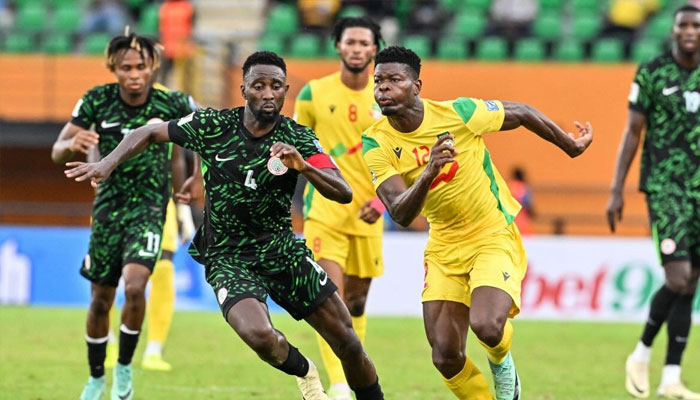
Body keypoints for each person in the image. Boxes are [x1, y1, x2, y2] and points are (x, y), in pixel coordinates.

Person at [65, 51, 385, 400]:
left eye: (276, 86)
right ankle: (305, 371)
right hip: (228, 256)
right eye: (259, 85)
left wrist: (303, 167)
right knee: (260, 336)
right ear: (244, 88)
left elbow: (343, 191)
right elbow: (149, 132)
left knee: (348, 341)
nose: (267, 93)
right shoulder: (212, 125)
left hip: (281, 250)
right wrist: (106, 164)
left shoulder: (298, 138)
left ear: (285, 90)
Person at [362, 46, 593, 400]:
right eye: (378, 81)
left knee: (486, 325)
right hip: (443, 245)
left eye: (395, 80)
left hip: (491, 233)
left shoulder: (460, 113)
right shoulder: (375, 141)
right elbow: (400, 212)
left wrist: (569, 145)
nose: (383, 89)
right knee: (445, 355)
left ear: (416, 85)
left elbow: (523, 113)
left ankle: (503, 364)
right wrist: (428, 172)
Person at [51, 30, 197, 400]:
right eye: (126, 68)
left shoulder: (174, 103)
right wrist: (72, 144)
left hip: (149, 209)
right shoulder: (96, 100)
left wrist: (194, 185)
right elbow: (57, 150)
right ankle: (97, 377)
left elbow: (206, 140)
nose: (134, 74)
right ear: (113, 68)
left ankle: (126, 371)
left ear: (153, 67)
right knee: (101, 299)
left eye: (141, 67)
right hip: (107, 211)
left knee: (135, 286)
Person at [606, 5, 700, 400]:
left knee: (691, 281)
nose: (690, 31)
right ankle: (641, 353)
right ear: (673, 30)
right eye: (684, 25)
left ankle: (671, 378)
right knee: (678, 278)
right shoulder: (651, 72)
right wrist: (616, 189)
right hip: (666, 188)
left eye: (696, 25)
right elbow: (632, 133)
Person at [294, 16, 384, 400]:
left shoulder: (385, 97)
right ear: (338, 46)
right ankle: (340, 384)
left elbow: (404, 159)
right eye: (350, 41)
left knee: (357, 302)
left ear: (374, 49)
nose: (357, 48)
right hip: (324, 212)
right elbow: (295, 145)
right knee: (328, 297)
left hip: (368, 214)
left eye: (364, 42)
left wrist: (382, 201)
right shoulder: (313, 94)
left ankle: (352, 372)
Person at [506, 167, 534, 236]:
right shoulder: (523, 188)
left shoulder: (508, 187)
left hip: (509, 223)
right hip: (523, 223)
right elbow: (528, 205)